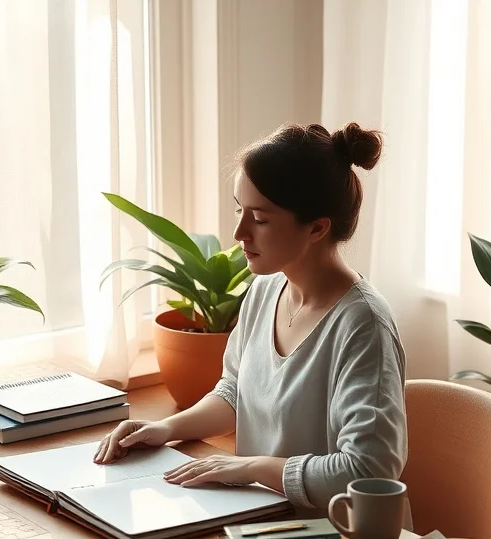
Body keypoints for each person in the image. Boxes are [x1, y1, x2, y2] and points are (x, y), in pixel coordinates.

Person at [93, 121, 408, 512]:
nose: (240, 231)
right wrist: (164, 429)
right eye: (240, 210)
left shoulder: (363, 327)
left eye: (259, 218)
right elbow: (235, 392)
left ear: (317, 228)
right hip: (257, 519)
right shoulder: (265, 290)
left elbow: (367, 473)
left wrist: (252, 468)